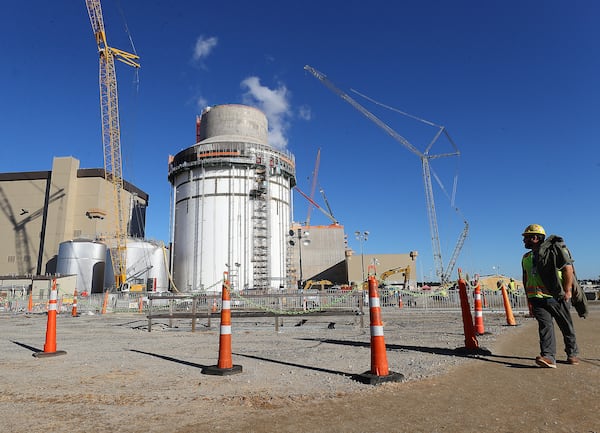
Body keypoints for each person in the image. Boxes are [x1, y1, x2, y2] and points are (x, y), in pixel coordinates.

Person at [521, 224, 579, 368]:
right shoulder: (526, 257)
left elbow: (568, 269)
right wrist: (529, 297)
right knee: (544, 327)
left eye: (526, 238)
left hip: (556, 296)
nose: (523, 241)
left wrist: (567, 291)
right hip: (537, 298)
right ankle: (548, 357)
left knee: (566, 326)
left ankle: (572, 354)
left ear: (535, 238)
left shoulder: (555, 251)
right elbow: (525, 276)